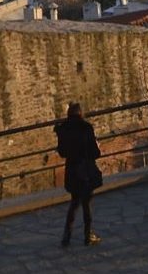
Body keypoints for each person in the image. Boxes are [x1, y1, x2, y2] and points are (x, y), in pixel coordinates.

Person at [54, 102, 103, 247]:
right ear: (81, 113)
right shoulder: (86, 128)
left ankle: (67, 235)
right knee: (87, 203)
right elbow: (95, 152)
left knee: (74, 202)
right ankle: (88, 235)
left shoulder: (63, 129)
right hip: (85, 169)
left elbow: (62, 152)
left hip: (72, 170)